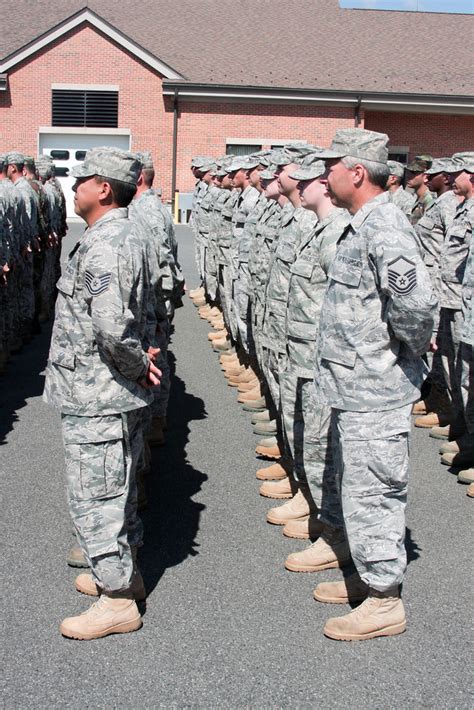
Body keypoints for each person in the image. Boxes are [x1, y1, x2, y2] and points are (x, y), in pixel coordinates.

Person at [313, 128, 437, 641]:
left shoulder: (384, 227)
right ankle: (366, 574)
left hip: (376, 387)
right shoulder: (360, 224)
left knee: (375, 492)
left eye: (332, 167)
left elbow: (417, 306)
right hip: (356, 385)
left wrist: (402, 355)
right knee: (359, 486)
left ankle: (384, 599)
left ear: (357, 172)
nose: (325, 176)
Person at [43, 147, 161, 640]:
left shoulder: (108, 243)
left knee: (97, 495)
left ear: (104, 189)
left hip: (99, 393)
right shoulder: (113, 234)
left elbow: (112, 328)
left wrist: (136, 365)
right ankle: (119, 575)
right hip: (106, 390)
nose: (74, 188)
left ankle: (115, 599)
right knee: (118, 489)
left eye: (82, 180)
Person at [405, 154, 435, 225]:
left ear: (425, 176)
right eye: (409, 172)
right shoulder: (416, 198)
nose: (408, 176)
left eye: (414, 173)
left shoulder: (429, 200)